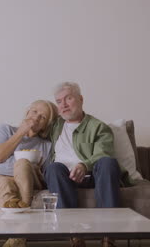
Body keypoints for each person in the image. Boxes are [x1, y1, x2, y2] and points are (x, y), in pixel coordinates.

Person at [44, 82, 125, 247]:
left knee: (108, 162)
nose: (64, 105)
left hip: (93, 175)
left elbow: (104, 152)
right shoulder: (55, 126)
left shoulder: (98, 127)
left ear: (80, 99)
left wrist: (83, 165)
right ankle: (75, 237)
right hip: (63, 176)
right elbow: (32, 128)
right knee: (52, 168)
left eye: (68, 98)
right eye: (59, 101)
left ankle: (108, 237)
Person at [0, 100, 58, 247]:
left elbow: (46, 176)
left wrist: (33, 167)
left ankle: (17, 234)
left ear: (46, 125)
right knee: (4, 183)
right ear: (27, 112)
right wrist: (22, 131)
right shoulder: (6, 129)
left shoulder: (46, 145)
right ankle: (19, 234)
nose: (36, 118)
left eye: (42, 117)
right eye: (34, 112)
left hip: (27, 178)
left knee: (22, 163)